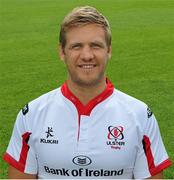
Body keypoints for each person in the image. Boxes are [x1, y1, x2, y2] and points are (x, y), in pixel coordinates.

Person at [3, 6, 172, 179]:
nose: (87, 55)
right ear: (62, 52)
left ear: (109, 50)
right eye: (76, 46)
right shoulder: (32, 114)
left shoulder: (140, 116)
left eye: (95, 45)